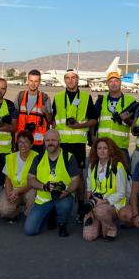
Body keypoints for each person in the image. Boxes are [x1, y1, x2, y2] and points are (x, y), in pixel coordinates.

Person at [52, 68, 97, 214]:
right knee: (60, 175)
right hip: (62, 143)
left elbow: (93, 121)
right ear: (64, 80)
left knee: (79, 177)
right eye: (67, 78)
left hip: (78, 144)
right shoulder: (58, 97)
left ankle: (81, 208)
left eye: (73, 78)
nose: (70, 80)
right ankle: (59, 206)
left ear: (78, 79)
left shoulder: (86, 97)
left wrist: (80, 125)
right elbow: (53, 121)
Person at [25, 129, 80, 237]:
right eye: (47, 140)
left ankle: (62, 224)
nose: (50, 143)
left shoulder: (68, 157)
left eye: (53, 140)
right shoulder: (38, 157)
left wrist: (68, 191)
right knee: (29, 230)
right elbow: (30, 179)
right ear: (44, 141)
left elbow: (75, 180)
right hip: (43, 199)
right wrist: (44, 186)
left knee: (64, 205)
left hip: (62, 196)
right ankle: (50, 214)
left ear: (59, 141)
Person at [82, 137, 132, 241]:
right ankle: (101, 223)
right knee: (88, 236)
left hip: (113, 203)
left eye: (105, 148)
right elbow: (89, 188)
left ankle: (111, 229)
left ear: (110, 150)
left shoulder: (117, 166)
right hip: (96, 203)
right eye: (99, 148)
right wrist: (89, 207)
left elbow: (121, 193)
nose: (102, 151)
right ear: (96, 151)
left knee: (101, 211)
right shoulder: (92, 165)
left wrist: (103, 201)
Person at [0, 130, 39, 222]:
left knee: (33, 193)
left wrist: (18, 191)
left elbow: (35, 181)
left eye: (26, 142)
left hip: (29, 189)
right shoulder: (11, 157)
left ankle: (30, 215)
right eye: (20, 142)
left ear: (31, 145)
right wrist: (9, 193)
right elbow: (8, 178)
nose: (23, 145)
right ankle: (16, 211)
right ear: (17, 143)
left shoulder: (37, 157)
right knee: (1, 209)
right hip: (14, 189)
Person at [94, 72, 139, 163]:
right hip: (103, 147)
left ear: (120, 82)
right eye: (111, 81)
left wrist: (126, 120)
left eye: (116, 81)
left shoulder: (130, 101)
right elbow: (94, 121)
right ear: (107, 84)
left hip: (120, 147)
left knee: (123, 176)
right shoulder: (101, 100)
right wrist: (93, 139)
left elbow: (134, 126)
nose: (114, 83)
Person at [14, 69, 52, 152]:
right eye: (31, 80)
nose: (33, 84)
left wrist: (46, 111)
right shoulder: (20, 96)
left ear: (39, 82)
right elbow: (14, 118)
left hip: (38, 143)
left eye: (36, 81)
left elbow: (50, 120)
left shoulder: (45, 98)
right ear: (27, 80)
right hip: (21, 141)